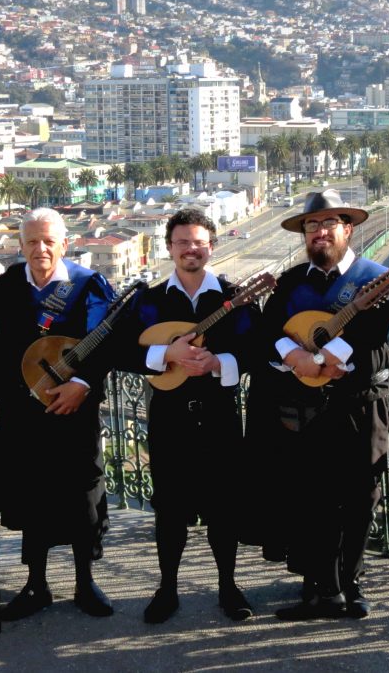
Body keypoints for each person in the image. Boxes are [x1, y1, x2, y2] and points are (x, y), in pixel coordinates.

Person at [249, 189, 389, 620]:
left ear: (347, 229)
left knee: (359, 497)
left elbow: (379, 326)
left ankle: (350, 583)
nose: (320, 232)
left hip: (360, 404)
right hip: (305, 406)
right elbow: (267, 332)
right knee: (311, 499)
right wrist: (293, 355)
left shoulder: (376, 277)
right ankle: (317, 588)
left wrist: (337, 356)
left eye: (329, 223)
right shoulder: (292, 282)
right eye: (312, 225)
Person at [119, 209, 258, 624]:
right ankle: (167, 589)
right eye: (182, 242)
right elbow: (121, 348)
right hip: (169, 418)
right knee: (171, 509)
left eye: (198, 242)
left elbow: (259, 347)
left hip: (220, 417)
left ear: (211, 246)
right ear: (169, 248)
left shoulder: (234, 296)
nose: (190, 249)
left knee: (224, 507)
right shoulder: (150, 301)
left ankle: (228, 586)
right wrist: (166, 355)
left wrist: (220, 362)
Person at [0, 207, 115, 621]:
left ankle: (84, 581)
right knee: (31, 494)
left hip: (72, 407)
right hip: (22, 412)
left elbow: (105, 340)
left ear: (64, 243)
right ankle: (36, 584)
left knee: (81, 495)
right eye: (32, 241)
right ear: (20, 245)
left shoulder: (88, 285)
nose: (40, 248)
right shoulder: (2, 289)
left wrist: (83, 384)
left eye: (48, 241)